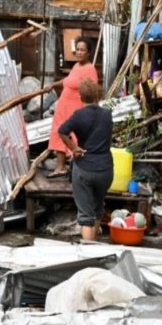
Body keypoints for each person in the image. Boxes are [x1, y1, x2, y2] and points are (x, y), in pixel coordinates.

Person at [58, 79, 114, 241]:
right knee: (97, 209)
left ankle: (88, 255)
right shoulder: (107, 115)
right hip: (105, 170)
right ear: (98, 94)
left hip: (85, 169)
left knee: (86, 215)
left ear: (80, 97)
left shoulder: (78, 116)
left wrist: (74, 147)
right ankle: (94, 248)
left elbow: (62, 131)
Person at [47, 37, 99, 178]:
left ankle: (77, 171)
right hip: (63, 106)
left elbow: (92, 91)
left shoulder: (90, 69)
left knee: (75, 137)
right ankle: (60, 167)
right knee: (59, 133)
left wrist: (89, 111)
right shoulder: (77, 66)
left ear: (89, 53)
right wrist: (53, 84)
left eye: (83, 50)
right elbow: (68, 80)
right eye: (78, 49)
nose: (79, 52)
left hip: (76, 108)